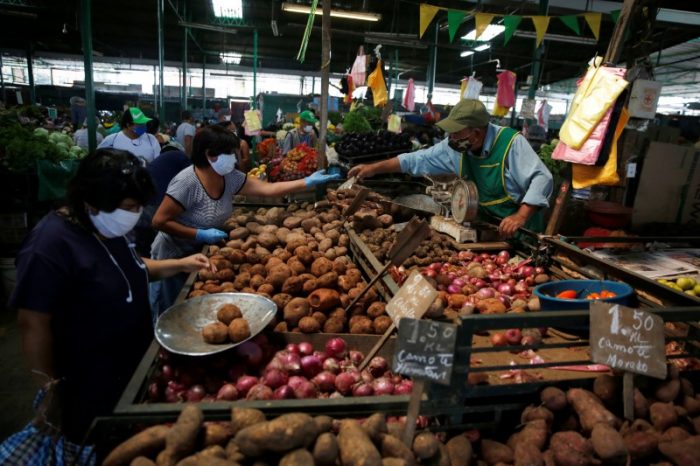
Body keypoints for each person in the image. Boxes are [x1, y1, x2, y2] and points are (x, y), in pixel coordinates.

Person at [8, 148, 211, 453]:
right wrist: (49, 391)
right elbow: (32, 323)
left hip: (129, 366)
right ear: (90, 202)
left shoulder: (106, 227)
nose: (135, 214)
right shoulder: (49, 245)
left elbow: (134, 268)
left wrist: (180, 264)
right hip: (87, 377)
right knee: (96, 447)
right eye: (130, 206)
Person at [150, 125, 339, 314]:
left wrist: (306, 182)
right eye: (229, 153)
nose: (234, 158)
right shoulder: (187, 182)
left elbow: (267, 189)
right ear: (210, 154)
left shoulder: (228, 177)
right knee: (173, 310)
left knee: (196, 311)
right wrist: (197, 234)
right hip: (174, 256)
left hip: (204, 255)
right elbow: (159, 221)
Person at [348, 99, 553, 237]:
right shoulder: (454, 147)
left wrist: (520, 216)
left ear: (477, 132)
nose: (451, 138)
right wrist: (374, 168)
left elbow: (542, 178)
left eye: (457, 133)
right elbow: (416, 160)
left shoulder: (511, 143)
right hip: (488, 227)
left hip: (522, 232)